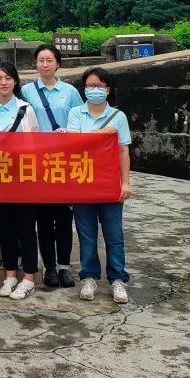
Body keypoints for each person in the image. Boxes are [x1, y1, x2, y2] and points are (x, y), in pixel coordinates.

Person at [66, 67, 132, 304]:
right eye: (90, 86)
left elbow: (123, 151)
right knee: (86, 235)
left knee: (114, 235)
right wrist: (103, 134)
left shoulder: (119, 116)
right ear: (84, 89)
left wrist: (125, 183)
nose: (95, 90)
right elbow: (73, 143)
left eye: (100, 86)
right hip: (82, 181)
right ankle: (89, 276)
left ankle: (118, 279)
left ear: (108, 89)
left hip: (109, 183)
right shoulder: (75, 113)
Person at [0, 61, 40, 300]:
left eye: (8, 78)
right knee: (4, 228)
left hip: (22, 177)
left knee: (26, 228)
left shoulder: (25, 108)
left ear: (15, 81)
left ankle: (29, 278)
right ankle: (10, 275)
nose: (3, 83)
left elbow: (34, 142)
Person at [23, 43, 84, 289]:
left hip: (63, 162)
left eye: (49, 60)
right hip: (37, 162)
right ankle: (49, 267)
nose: (45, 64)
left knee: (64, 216)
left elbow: (80, 121)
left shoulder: (69, 92)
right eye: (41, 60)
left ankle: (64, 267)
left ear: (58, 63)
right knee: (44, 218)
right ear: (35, 63)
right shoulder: (27, 91)